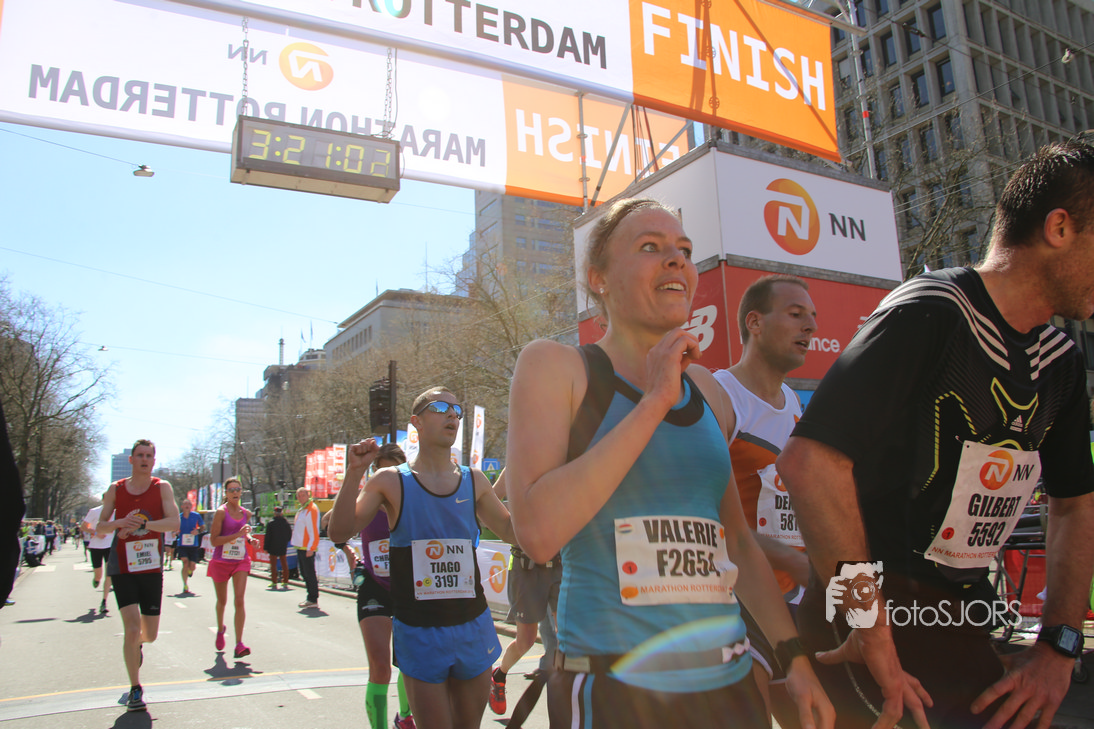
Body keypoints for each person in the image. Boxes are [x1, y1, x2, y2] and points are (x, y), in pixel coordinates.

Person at [777, 139, 1094, 729]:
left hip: (964, 635)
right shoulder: (929, 312)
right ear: (1059, 228)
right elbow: (810, 462)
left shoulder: (1061, 362)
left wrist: (1059, 645)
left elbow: (1075, 505)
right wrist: (868, 624)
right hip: (866, 649)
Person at [504, 198, 834, 729]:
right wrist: (655, 399)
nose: (677, 260)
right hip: (615, 688)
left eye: (684, 250)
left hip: (728, 685)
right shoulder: (556, 366)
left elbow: (736, 541)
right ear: (599, 279)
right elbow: (538, 534)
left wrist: (792, 656)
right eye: (650, 247)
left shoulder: (704, 387)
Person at [330, 386, 516, 729]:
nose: (452, 415)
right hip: (419, 631)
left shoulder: (474, 480)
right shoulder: (389, 481)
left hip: (472, 625)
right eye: (441, 407)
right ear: (416, 421)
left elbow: (511, 530)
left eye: (457, 411)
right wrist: (354, 473)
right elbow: (339, 532)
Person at [712, 274, 817, 724]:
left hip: (798, 600)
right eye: (796, 314)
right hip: (738, 604)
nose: (810, 326)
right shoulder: (720, 394)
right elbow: (707, 515)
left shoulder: (795, 402)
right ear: (754, 323)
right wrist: (791, 559)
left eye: (813, 317)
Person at [328, 442, 416, 729]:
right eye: (381, 473)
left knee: (411, 665)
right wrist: (348, 549)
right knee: (380, 668)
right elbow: (331, 524)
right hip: (374, 586)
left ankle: (405, 717)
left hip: (408, 589)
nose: (387, 480)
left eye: (394, 473)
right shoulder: (366, 502)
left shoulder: (413, 501)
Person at [96, 438, 180, 713]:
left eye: (149, 456)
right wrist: (119, 523)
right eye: (140, 455)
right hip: (122, 565)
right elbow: (100, 527)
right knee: (131, 629)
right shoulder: (116, 489)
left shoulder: (162, 487)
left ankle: (137, 646)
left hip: (150, 566)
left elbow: (174, 522)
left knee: (149, 635)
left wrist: (145, 524)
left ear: (153, 461)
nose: (144, 460)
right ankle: (135, 687)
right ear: (131, 460)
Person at [487, 468, 562, 718]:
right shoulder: (517, 464)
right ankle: (499, 675)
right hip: (526, 566)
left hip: (560, 563)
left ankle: (564, 704)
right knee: (526, 640)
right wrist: (511, 528)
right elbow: (489, 499)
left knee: (566, 637)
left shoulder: (564, 459)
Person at [206, 477, 257, 658]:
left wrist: (250, 539)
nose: (235, 493)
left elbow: (244, 534)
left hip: (240, 560)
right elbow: (214, 540)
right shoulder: (221, 512)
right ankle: (220, 629)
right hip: (221, 561)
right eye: (231, 490)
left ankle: (239, 644)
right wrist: (237, 534)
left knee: (239, 600)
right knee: (222, 601)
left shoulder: (246, 513)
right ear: (226, 493)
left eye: (238, 489)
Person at [82, 504, 115, 614]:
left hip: (110, 546)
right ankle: (96, 579)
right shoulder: (94, 511)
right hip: (96, 546)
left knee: (109, 574)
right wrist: (96, 533)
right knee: (98, 575)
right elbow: (83, 526)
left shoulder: (116, 511)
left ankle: (104, 601)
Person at [292, 486, 321, 609]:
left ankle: (313, 598)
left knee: (309, 573)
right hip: (301, 546)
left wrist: (311, 547)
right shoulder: (303, 509)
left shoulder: (311, 509)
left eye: (303, 495)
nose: (300, 498)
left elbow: (313, 529)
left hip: (307, 547)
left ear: (308, 495)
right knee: (305, 573)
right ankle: (310, 597)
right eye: (298, 496)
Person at [175, 499, 204, 594]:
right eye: (185, 504)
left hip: (193, 545)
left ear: (191, 506)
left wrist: (198, 531)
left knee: (192, 566)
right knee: (185, 562)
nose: (187, 505)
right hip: (182, 544)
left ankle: (190, 571)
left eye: (189, 504)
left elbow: (203, 527)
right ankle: (185, 585)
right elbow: (174, 528)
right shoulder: (178, 517)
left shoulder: (196, 516)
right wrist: (175, 531)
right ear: (182, 506)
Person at [264, 505, 292, 589]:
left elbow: (268, 536)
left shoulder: (271, 523)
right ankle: (285, 581)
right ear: (282, 513)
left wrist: (266, 547)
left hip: (273, 545)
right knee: (284, 564)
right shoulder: (286, 523)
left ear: (274, 513)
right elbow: (289, 534)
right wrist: (285, 541)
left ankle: (274, 582)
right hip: (282, 545)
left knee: (273, 565)